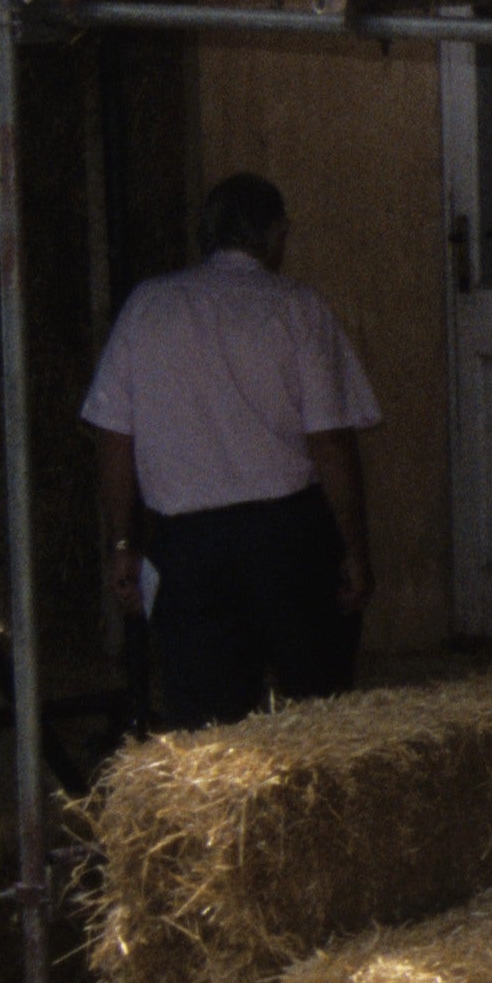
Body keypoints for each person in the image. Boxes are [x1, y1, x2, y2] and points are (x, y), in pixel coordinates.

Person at [82, 173, 382, 728]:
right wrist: (354, 547)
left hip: (188, 547)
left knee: (211, 733)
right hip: (286, 541)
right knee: (321, 715)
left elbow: (113, 436)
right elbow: (330, 442)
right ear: (273, 235)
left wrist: (122, 541)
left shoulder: (148, 308)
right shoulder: (297, 309)